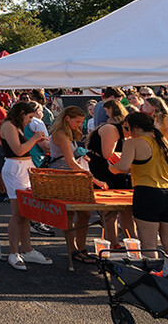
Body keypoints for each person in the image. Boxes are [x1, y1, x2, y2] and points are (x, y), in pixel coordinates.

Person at [0, 100, 52, 270]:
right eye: (29, 117)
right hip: (15, 169)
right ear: (22, 113)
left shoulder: (17, 126)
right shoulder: (8, 126)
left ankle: (27, 249)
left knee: (26, 212)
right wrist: (36, 138)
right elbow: (19, 150)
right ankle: (14, 252)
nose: (31, 121)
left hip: (24, 168)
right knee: (18, 214)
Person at [47, 106, 103, 264]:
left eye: (82, 122)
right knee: (69, 215)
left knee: (84, 213)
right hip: (64, 179)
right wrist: (94, 179)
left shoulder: (68, 134)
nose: (80, 125)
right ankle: (73, 249)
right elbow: (70, 163)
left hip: (73, 178)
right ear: (67, 119)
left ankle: (81, 247)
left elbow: (71, 158)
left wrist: (81, 156)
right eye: (77, 121)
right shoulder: (61, 134)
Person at [110, 112, 168, 253]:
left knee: (149, 246)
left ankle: (151, 274)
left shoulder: (133, 143)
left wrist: (111, 167)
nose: (127, 132)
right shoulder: (164, 143)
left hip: (147, 193)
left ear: (135, 127)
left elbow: (123, 167)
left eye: (127, 128)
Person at [87, 99, 135, 247]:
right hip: (102, 169)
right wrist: (128, 164)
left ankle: (133, 243)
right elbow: (109, 155)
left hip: (116, 169)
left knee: (126, 209)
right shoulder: (111, 129)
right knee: (110, 209)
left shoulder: (126, 135)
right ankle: (114, 243)